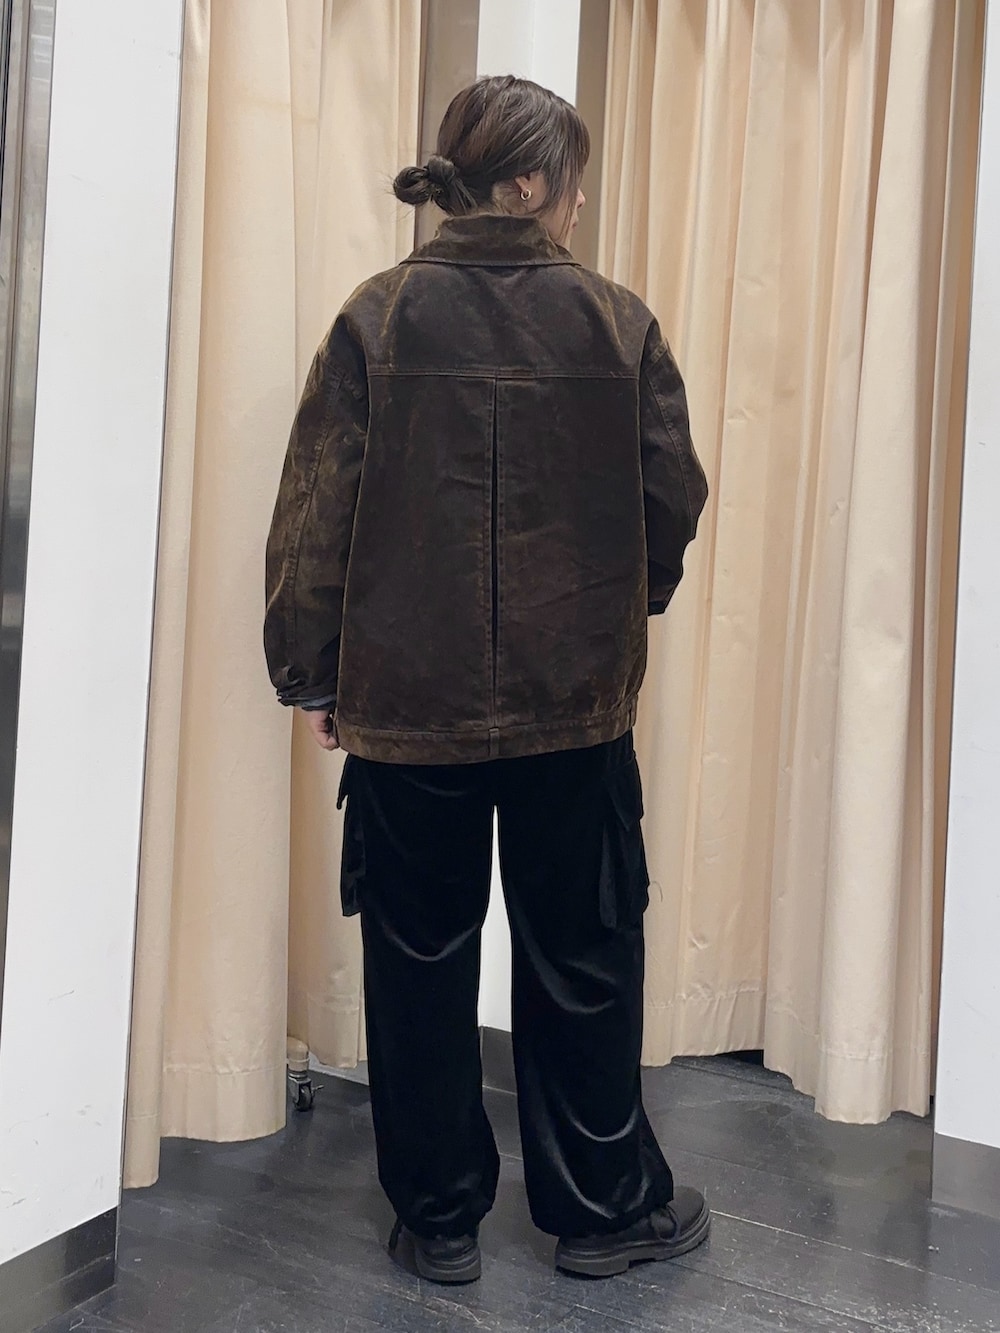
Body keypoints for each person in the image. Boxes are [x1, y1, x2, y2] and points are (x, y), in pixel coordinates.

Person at [265, 75, 709, 1284]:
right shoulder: (616, 322)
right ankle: (603, 1211)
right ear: (527, 183)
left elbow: (314, 515)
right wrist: (618, 611)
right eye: (572, 183)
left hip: (409, 710)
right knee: (584, 954)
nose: (578, 205)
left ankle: (440, 1217)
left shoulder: (377, 317)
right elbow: (671, 499)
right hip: (575, 709)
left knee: (418, 958)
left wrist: (312, 674)